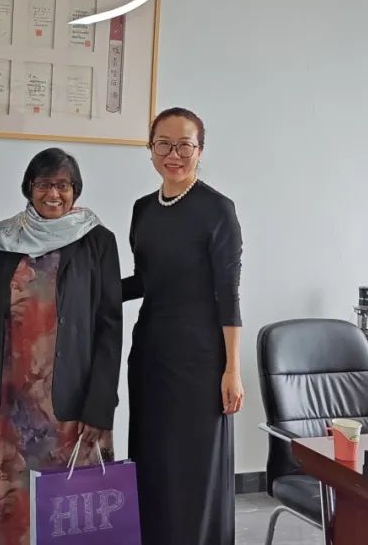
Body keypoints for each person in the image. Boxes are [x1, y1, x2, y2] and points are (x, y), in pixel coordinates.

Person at [0, 148, 123, 545]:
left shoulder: (98, 241)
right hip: (9, 401)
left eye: (63, 185)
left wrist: (101, 405)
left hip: (68, 403)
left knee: (68, 518)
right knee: (12, 512)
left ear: (75, 190)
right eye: (44, 184)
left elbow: (110, 327)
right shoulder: (5, 238)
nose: (54, 194)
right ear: (29, 187)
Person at [123, 107, 243, 545]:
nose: (173, 155)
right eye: (163, 144)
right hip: (151, 352)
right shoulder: (143, 210)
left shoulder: (217, 210)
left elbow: (228, 294)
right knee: (151, 459)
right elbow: (145, 281)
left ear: (200, 151)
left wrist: (232, 369)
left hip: (200, 360)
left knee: (194, 467)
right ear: (150, 148)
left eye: (184, 146)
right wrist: (87, 287)